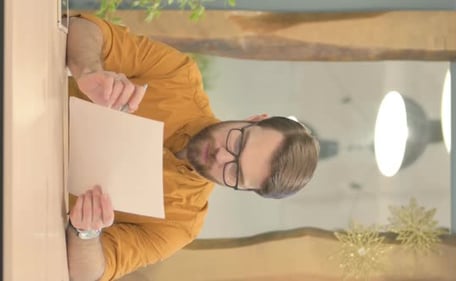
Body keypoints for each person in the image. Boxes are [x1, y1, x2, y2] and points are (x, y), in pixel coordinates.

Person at [66, 13, 319, 281]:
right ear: (255, 119)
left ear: (242, 189)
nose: (222, 155)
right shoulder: (178, 76)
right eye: (238, 142)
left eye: (234, 173)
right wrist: (90, 71)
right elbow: (81, 27)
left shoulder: (180, 224)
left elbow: (89, 273)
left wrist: (86, 232)